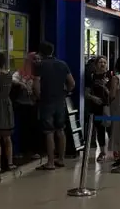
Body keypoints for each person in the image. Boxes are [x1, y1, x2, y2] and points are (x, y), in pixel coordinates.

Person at [33, 41, 75, 170]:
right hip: (60, 101)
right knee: (60, 130)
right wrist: (65, 92)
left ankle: (50, 162)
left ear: (40, 53)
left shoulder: (39, 65)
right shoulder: (62, 64)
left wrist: (39, 96)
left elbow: (36, 84)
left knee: (49, 131)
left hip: (46, 101)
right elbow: (72, 83)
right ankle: (61, 159)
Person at [12, 52, 41, 160]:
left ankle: (34, 151)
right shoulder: (21, 72)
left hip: (34, 104)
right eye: (34, 59)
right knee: (23, 129)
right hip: (23, 104)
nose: (37, 61)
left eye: (38, 59)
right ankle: (23, 151)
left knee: (34, 128)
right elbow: (13, 78)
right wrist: (21, 84)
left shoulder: (40, 72)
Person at [85, 56, 110, 162]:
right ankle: (102, 152)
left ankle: (116, 151)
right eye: (100, 62)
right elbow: (86, 93)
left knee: (111, 129)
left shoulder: (110, 76)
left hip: (108, 105)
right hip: (96, 106)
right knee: (100, 129)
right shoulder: (91, 77)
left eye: (104, 62)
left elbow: (114, 92)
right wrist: (93, 98)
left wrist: (105, 87)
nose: (102, 64)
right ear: (96, 65)